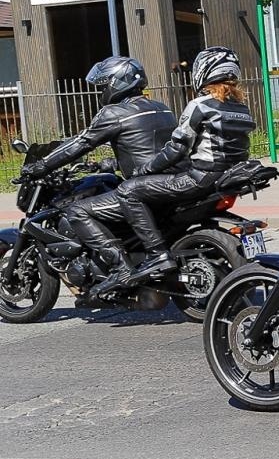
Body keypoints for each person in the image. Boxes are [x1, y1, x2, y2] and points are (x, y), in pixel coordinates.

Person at [20, 56, 178, 297]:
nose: (101, 91)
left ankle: (119, 268)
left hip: (143, 190)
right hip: (169, 183)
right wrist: (109, 163)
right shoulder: (160, 107)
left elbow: (80, 143)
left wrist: (41, 166)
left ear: (117, 83)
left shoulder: (114, 113)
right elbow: (150, 150)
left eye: (104, 86)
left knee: (77, 211)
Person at [112, 47, 256, 289]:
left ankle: (157, 254)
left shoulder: (200, 105)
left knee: (129, 190)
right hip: (228, 177)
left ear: (204, 72)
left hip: (200, 178)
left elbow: (177, 148)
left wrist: (145, 169)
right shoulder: (240, 107)